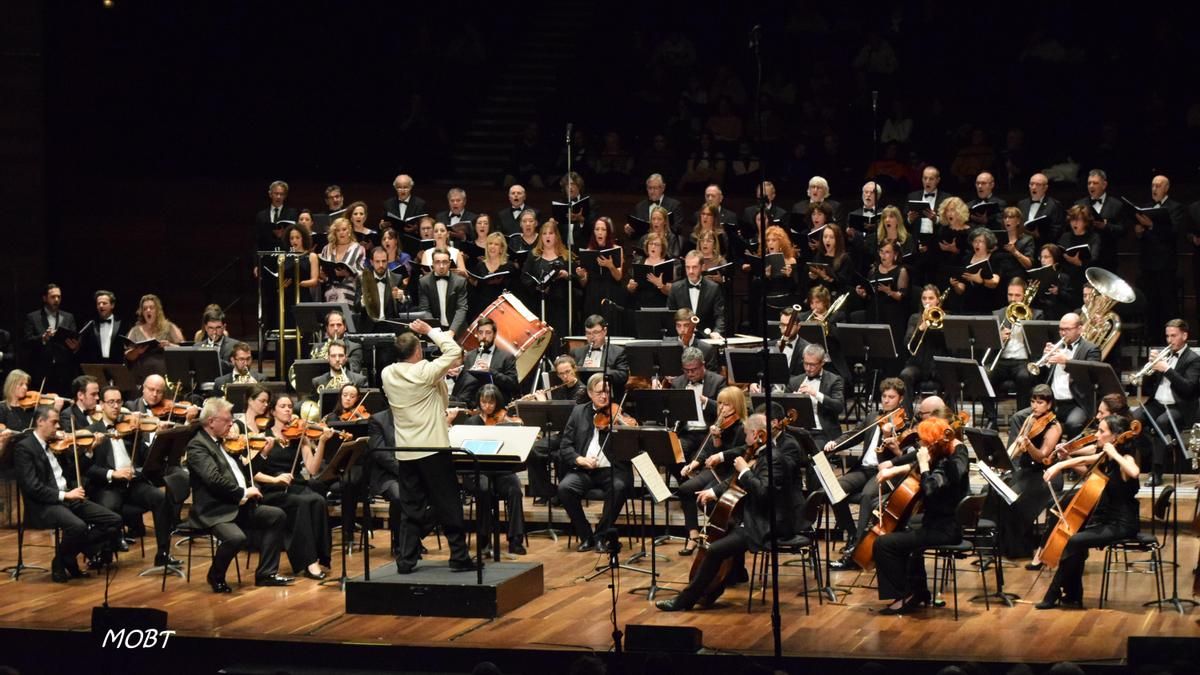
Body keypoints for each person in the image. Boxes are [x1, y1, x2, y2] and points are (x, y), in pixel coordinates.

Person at [655, 412, 793, 611]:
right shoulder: (758, 452)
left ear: (758, 435)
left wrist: (745, 471)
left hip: (766, 523)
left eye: (747, 434)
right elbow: (733, 480)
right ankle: (713, 590)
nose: (745, 438)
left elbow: (763, 493)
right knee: (721, 533)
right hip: (750, 517)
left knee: (715, 549)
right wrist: (713, 491)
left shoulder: (774, 459)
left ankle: (684, 601)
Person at [379, 319, 477, 573]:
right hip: (433, 449)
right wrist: (431, 331)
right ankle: (459, 556)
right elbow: (454, 352)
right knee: (448, 503)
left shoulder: (387, 374)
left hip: (406, 451)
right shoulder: (424, 371)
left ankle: (406, 560)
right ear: (418, 351)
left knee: (411, 508)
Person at [186, 397, 291, 592]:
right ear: (211, 422)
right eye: (227, 420)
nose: (232, 424)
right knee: (235, 538)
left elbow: (246, 473)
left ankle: (266, 573)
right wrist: (243, 492)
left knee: (276, 515)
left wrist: (263, 453)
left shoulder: (226, 443)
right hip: (215, 509)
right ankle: (215, 575)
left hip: (238, 505)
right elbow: (214, 480)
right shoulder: (197, 446)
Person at [1037, 415, 1140, 610]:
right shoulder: (1106, 457)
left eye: (1102, 432)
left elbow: (1134, 472)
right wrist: (1058, 465)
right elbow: (1084, 458)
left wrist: (1115, 454)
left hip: (1123, 524)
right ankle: (1073, 594)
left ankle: (1054, 593)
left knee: (1074, 541)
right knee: (1076, 539)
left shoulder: (1125, 458)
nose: (1097, 435)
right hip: (1107, 520)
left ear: (1116, 436)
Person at [871, 416, 969, 614]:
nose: (921, 445)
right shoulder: (943, 458)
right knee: (905, 530)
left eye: (924, 441)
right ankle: (918, 591)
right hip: (940, 524)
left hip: (943, 530)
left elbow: (931, 489)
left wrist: (923, 465)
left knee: (883, 544)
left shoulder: (946, 466)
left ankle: (904, 596)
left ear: (933, 442)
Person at [14, 405, 123, 581]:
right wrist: (65, 495)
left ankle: (63, 557)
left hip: (68, 498)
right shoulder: (24, 448)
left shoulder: (57, 446)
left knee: (114, 521)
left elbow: (73, 472)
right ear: (40, 422)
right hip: (45, 504)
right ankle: (66, 560)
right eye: (54, 422)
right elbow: (32, 487)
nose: (58, 427)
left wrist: (88, 451)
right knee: (78, 527)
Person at [86, 385, 181, 568]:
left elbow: (146, 457)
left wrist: (155, 437)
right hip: (108, 485)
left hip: (132, 483)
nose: (115, 406)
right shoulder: (92, 431)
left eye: (118, 402)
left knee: (161, 498)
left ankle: (163, 553)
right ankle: (102, 552)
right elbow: (87, 468)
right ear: (101, 405)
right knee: (109, 508)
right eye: (111, 402)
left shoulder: (131, 428)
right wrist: (111, 473)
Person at [826, 378, 909, 569]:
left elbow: (905, 455)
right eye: (884, 396)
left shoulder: (904, 423)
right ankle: (853, 535)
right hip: (864, 469)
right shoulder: (873, 417)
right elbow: (853, 434)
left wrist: (890, 436)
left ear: (901, 399)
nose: (887, 400)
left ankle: (856, 550)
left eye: (891, 397)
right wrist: (835, 444)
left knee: (866, 496)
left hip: (884, 471)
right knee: (833, 488)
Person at [257, 394, 333, 580]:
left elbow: (313, 469)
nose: (288, 409)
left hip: (296, 484)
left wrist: (321, 442)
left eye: (290, 406)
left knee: (318, 500)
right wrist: (275, 479)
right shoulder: (263, 438)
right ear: (273, 411)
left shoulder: (299, 437)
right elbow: (253, 472)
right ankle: (309, 562)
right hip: (272, 488)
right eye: (282, 406)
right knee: (301, 503)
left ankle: (318, 556)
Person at [557, 374, 635, 552]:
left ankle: (601, 535)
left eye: (607, 392)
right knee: (564, 488)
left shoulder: (618, 412)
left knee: (619, 487)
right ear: (590, 394)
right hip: (585, 470)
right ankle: (586, 536)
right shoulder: (578, 412)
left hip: (612, 470)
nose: (604, 396)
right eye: (599, 392)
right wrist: (579, 459)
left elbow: (633, 444)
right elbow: (565, 445)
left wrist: (622, 426)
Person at [988, 385, 1063, 559]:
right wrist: (1003, 462)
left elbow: (1042, 457)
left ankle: (1020, 549)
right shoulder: (1029, 419)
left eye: (1040, 402)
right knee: (999, 491)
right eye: (1032, 401)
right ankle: (1000, 546)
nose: (1035, 406)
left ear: (1049, 404)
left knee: (1016, 501)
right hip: (1028, 472)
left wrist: (1029, 445)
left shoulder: (1054, 426)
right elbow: (1015, 447)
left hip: (1046, 475)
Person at [672, 385, 746, 556]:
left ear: (736, 405)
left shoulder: (742, 427)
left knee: (705, 498)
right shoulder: (719, 424)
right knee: (685, 489)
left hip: (730, 473)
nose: (721, 407)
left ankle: (726, 532)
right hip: (716, 470)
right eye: (719, 403)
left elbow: (740, 451)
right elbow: (707, 451)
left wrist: (720, 452)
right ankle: (693, 534)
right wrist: (693, 464)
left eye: (726, 404)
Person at [457, 385, 527, 555]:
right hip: (476, 472)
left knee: (515, 489)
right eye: (483, 402)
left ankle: (515, 539)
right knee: (484, 489)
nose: (487, 406)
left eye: (491, 403)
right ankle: (484, 537)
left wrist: (509, 428)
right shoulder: (471, 422)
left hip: (500, 471)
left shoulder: (503, 420)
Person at [1133, 319, 1200, 487]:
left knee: (1161, 423)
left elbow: (1188, 389)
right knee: (1132, 420)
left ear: (1184, 336)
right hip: (1157, 403)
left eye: (1174, 336)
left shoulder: (1194, 359)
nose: (1170, 340)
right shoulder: (1166, 355)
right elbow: (1149, 388)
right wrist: (1150, 369)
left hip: (1180, 406)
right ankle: (1151, 450)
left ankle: (1156, 472)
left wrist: (1167, 370)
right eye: (1167, 336)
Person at [523, 354, 588, 505]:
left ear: (574, 369)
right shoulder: (560, 389)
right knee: (532, 450)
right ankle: (548, 491)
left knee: (561, 455)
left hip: (577, 437)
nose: (565, 376)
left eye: (568, 372)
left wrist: (545, 404)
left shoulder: (582, 391)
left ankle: (560, 494)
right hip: (562, 435)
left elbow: (568, 417)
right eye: (561, 374)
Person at [1133, 175, 1187, 335]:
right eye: (1152, 186)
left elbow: (1174, 232)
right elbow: (1141, 236)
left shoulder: (1175, 207)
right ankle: (1152, 338)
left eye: (1158, 186)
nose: (1154, 189)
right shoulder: (1146, 207)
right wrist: (1138, 232)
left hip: (1166, 265)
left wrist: (1151, 225)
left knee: (1167, 303)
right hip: (1147, 264)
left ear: (1166, 188)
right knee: (1150, 303)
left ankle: (1171, 339)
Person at [1035, 312, 1100, 439]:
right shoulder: (1056, 347)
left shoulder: (1091, 349)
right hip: (1052, 402)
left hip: (1077, 403)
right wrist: (1045, 361)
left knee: (1073, 424)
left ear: (1080, 329)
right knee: (1020, 417)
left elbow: (1091, 375)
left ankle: (1070, 456)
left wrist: (1066, 363)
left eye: (1067, 329)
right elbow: (1040, 377)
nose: (1063, 333)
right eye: (1061, 329)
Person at [986, 278, 1044, 414]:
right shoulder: (999, 314)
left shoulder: (1036, 315)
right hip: (1001, 361)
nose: (1013, 299)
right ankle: (991, 419)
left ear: (1025, 296)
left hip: (1023, 362)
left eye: (1017, 295)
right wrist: (997, 338)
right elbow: (986, 345)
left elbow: (1038, 345)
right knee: (985, 376)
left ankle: (1020, 419)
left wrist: (1026, 326)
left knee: (1024, 377)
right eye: (1010, 295)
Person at [22, 284, 81, 395]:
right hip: (41, 370)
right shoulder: (33, 317)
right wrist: (43, 338)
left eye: (59, 297)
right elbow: (26, 342)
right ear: (44, 298)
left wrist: (75, 347)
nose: (56, 300)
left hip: (64, 371)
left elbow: (74, 338)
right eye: (53, 297)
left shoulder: (69, 317)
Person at [450, 317, 518, 406]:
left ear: (494, 334)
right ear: (477, 334)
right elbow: (463, 385)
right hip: (469, 404)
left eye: (488, 332)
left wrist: (490, 371)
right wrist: (455, 375)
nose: (484, 336)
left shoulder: (507, 357)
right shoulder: (468, 356)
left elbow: (513, 384)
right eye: (480, 333)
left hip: (494, 404)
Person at [522, 221, 573, 341]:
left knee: (558, 336)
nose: (547, 236)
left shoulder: (566, 256)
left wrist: (567, 275)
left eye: (551, 233)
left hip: (560, 305)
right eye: (544, 233)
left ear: (556, 236)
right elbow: (525, 277)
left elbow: (576, 278)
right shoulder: (534, 256)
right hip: (539, 303)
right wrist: (537, 286)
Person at [576, 217, 626, 334]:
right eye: (597, 229)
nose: (600, 232)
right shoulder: (589, 250)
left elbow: (619, 277)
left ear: (608, 232)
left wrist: (610, 265)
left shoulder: (617, 249)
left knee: (610, 325)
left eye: (603, 229)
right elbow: (584, 282)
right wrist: (582, 276)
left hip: (611, 291)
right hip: (593, 292)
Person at [1072, 169, 1124, 272]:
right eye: (1089, 183)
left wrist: (1106, 226)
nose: (1091, 186)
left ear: (1104, 185)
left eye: (1095, 183)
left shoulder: (1116, 205)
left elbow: (1122, 230)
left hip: (1108, 259)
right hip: (1085, 258)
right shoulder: (1079, 204)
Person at [124, 294, 184, 382]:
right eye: (145, 308)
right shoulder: (135, 330)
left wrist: (169, 345)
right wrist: (137, 351)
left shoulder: (169, 327)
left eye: (151, 308)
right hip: (141, 376)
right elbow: (127, 355)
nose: (148, 310)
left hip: (164, 374)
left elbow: (182, 349)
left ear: (157, 311)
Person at [667, 250, 726, 338]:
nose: (690, 271)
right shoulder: (675, 288)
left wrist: (717, 332)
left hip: (707, 338)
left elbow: (720, 316)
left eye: (694, 267)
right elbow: (670, 316)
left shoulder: (714, 288)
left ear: (702, 267)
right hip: (682, 338)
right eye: (687, 267)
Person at [569, 315, 629, 398]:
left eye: (595, 332)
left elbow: (623, 376)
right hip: (584, 397)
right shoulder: (577, 352)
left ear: (604, 331)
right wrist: (582, 369)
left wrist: (598, 370)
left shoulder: (618, 352)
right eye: (588, 333)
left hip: (608, 396)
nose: (591, 337)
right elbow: (573, 376)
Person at [417, 248, 471, 338]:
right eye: (437, 262)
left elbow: (461, 308)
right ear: (433, 264)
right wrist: (434, 331)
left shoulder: (460, 281)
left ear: (449, 263)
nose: (441, 266)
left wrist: (452, 331)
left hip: (457, 330)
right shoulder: (424, 282)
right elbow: (425, 309)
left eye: (445, 262)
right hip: (435, 330)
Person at [948, 228, 1000, 315]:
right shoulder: (966, 258)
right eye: (975, 241)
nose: (977, 244)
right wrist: (956, 285)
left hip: (988, 305)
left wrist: (980, 281)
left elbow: (995, 282)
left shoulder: (995, 258)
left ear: (988, 244)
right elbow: (961, 289)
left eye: (981, 241)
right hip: (968, 306)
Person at [466, 232, 515, 320]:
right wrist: (472, 282)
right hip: (482, 308)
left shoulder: (509, 266)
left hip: (502, 309)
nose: (492, 246)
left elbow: (513, 289)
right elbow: (477, 290)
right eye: (490, 243)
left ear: (501, 248)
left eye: (496, 244)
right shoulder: (480, 265)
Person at [356, 246, 407, 329]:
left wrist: (401, 298)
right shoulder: (362, 280)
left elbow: (402, 310)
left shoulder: (397, 279)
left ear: (387, 261)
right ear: (371, 262)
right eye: (377, 261)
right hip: (368, 328)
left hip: (390, 328)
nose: (381, 265)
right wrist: (363, 302)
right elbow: (356, 308)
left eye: (384, 261)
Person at [319, 216, 366, 304]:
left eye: (344, 229)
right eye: (338, 230)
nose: (341, 233)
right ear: (334, 232)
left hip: (349, 291)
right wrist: (323, 275)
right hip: (329, 292)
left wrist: (348, 274)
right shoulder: (327, 248)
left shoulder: (358, 248)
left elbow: (362, 274)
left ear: (349, 230)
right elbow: (323, 272)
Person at [79, 289, 125, 365]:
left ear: (112, 305)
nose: (101, 306)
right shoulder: (90, 324)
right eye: (98, 303)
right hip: (95, 366)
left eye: (104, 303)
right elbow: (83, 347)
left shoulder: (122, 323)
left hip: (116, 365)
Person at [1019, 172, 1066, 245]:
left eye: (1038, 184)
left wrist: (1040, 236)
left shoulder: (1054, 205)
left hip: (1044, 246)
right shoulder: (1022, 204)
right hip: (1024, 246)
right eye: (1031, 184)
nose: (1034, 187)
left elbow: (1057, 230)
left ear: (1045, 187)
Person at [255, 180, 299, 252]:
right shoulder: (261, 215)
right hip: (266, 254)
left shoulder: (292, 213)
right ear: (270, 194)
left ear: (285, 196)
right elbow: (257, 240)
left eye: (281, 194)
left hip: (286, 253)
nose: (278, 197)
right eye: (276, 193)